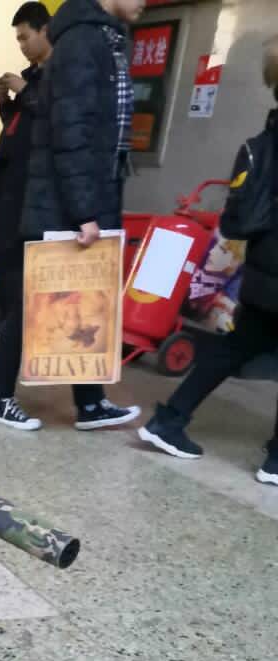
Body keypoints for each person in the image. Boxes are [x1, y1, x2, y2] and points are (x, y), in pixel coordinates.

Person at [138, 40, 278, 485]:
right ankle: (276, 461)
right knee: (237, 347)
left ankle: (169, 419)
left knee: (235, 347)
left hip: (263, 272)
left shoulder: (265, 139)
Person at [11, 0, 144, 431]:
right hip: (66, 200)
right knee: (37, 303)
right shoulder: (83, 43)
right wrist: (84, 210)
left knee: (87, 300)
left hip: (87, 194)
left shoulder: (103, 39)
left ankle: (90, 403)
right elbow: (71, 133)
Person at [0, 3, 51, 348]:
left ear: (44, 31)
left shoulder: (58, 76)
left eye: (25, 37)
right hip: (8, 178)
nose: (21, 45)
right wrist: (5, 101)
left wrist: (24, 90)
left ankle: (15, 323)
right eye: (18, 39)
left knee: (18, 257)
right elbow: (17, 126)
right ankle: (8, 318)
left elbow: (52, 118)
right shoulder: (31, 76)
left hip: (32, 184)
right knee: (0, 252)